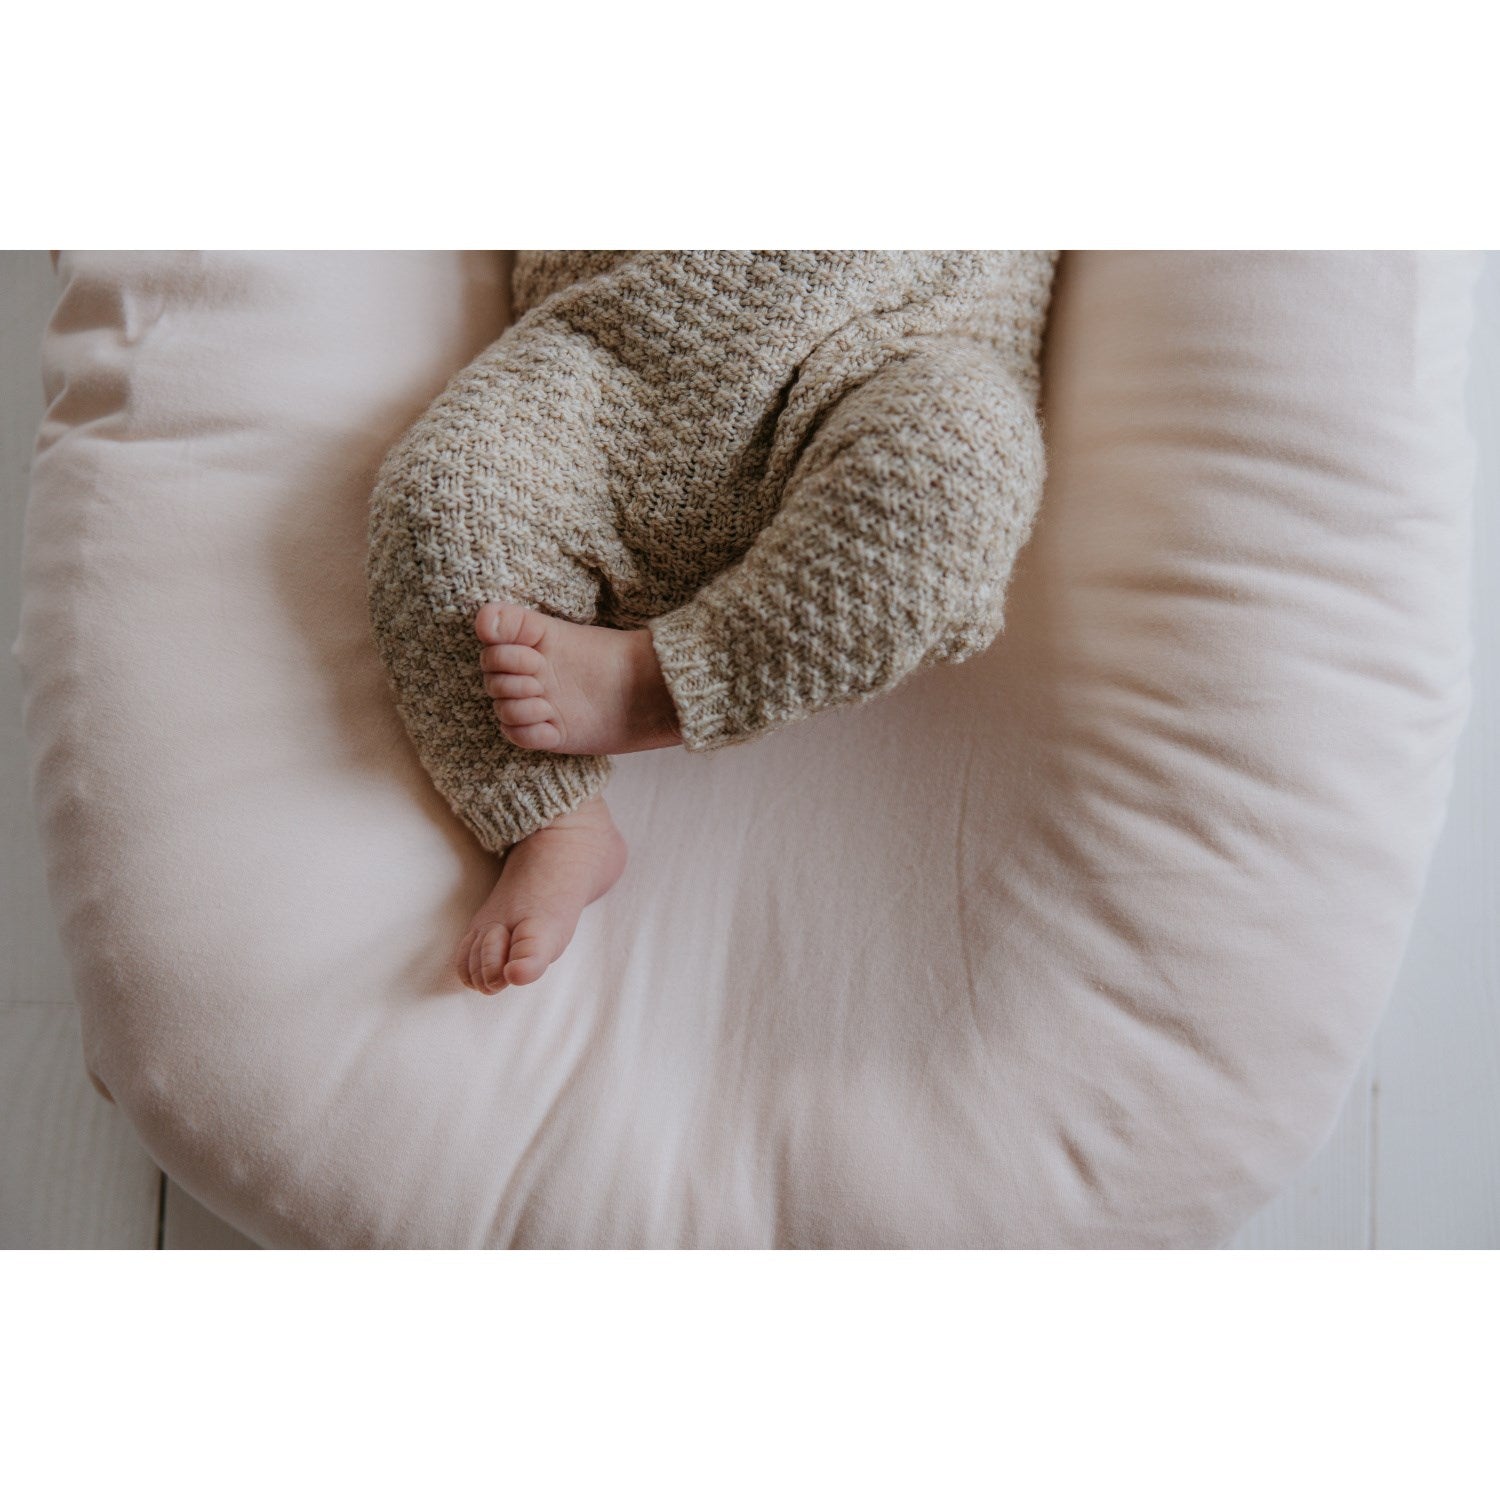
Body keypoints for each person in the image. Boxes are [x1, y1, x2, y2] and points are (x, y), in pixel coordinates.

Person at [366, 250, 1057, 994]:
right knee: (446, 495)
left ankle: (653, 686)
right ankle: (551, 816)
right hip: (615, 351)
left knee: (959, 450)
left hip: (884, 358)